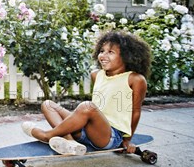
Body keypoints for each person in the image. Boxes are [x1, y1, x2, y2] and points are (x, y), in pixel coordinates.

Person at [22, 30, 152, 155]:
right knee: (48, 104)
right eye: (102, 51)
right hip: (86, 130)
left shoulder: (135, 79)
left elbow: (135, 112)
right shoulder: (96, 75)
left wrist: (127, 140)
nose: (103, 56)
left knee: (87, 107)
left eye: (110, 52)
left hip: (108, 136)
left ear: (126, 56)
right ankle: (71, 143)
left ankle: (47, 135)